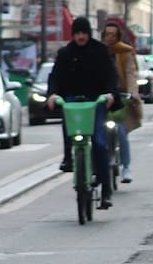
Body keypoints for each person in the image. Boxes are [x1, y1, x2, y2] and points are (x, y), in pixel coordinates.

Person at [47, 16, 121, 207]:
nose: (80, 37)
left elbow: (110, 75)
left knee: (99, 142)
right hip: (72, 101)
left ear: (89, 33)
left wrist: (111, 94)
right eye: (77, 33)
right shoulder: (65, 53)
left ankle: (106, 190)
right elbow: (55, 77)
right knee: (70, 130)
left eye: (83, 33)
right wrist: (53, 95)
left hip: (95, 101)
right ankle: (68, 158)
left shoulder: (100, 51)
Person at [99, 20, 140, 185]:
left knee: (121, 132)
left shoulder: (125, 52)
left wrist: (132, 93)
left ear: (118, 36)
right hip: (102, 98)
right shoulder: (98, 51)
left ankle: (126, 166)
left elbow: (131, 74)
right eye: (107, 34)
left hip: (121, 97)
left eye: (113, 35)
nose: (110, 37)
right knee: (97, 133)